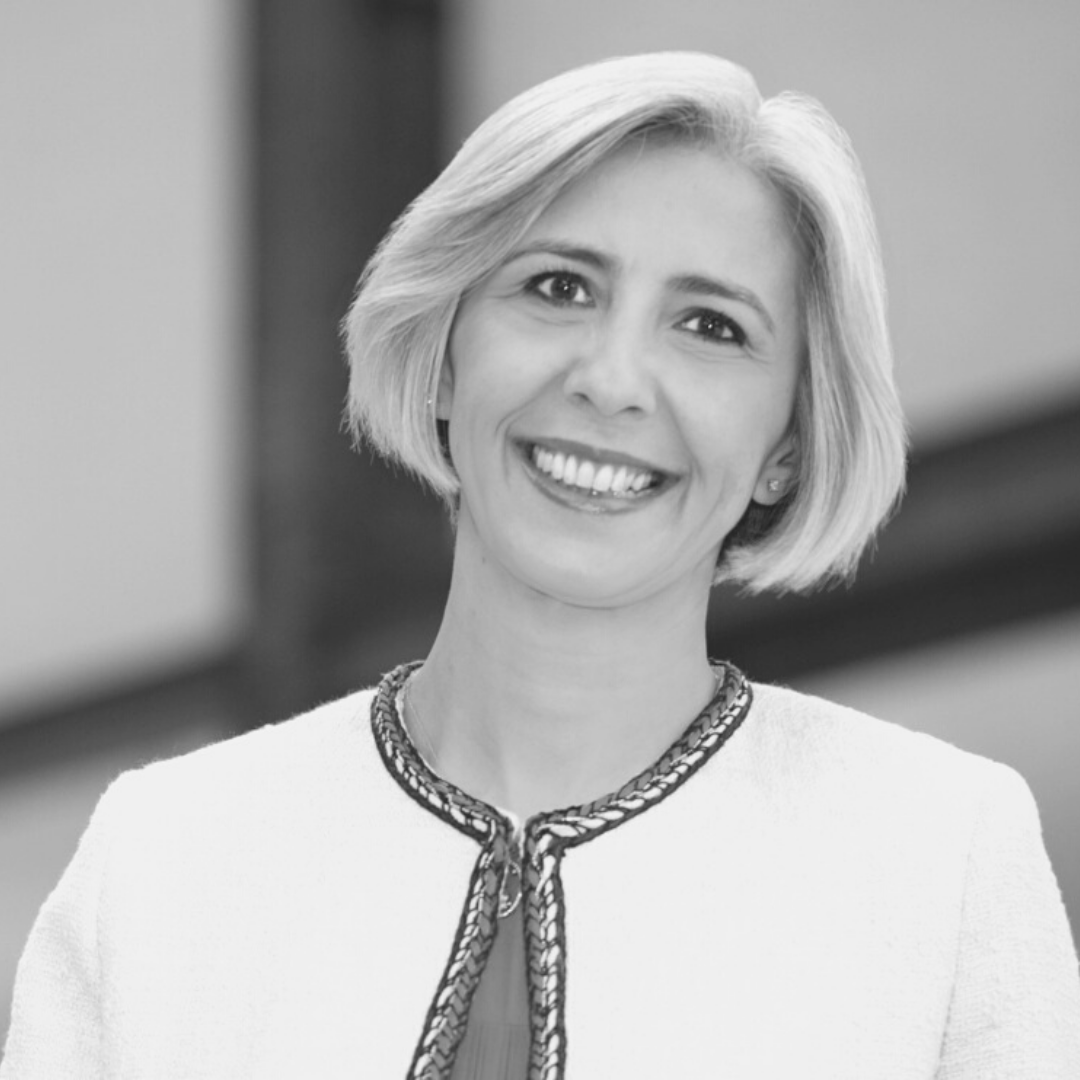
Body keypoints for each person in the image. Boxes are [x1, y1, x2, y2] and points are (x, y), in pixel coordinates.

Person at [3, 51, 1078, 1080]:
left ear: (787, 445)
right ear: (444, 353)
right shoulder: (160, 861)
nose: (612, 380)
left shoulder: (941, 856)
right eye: (560, 287)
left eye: (710, 326)